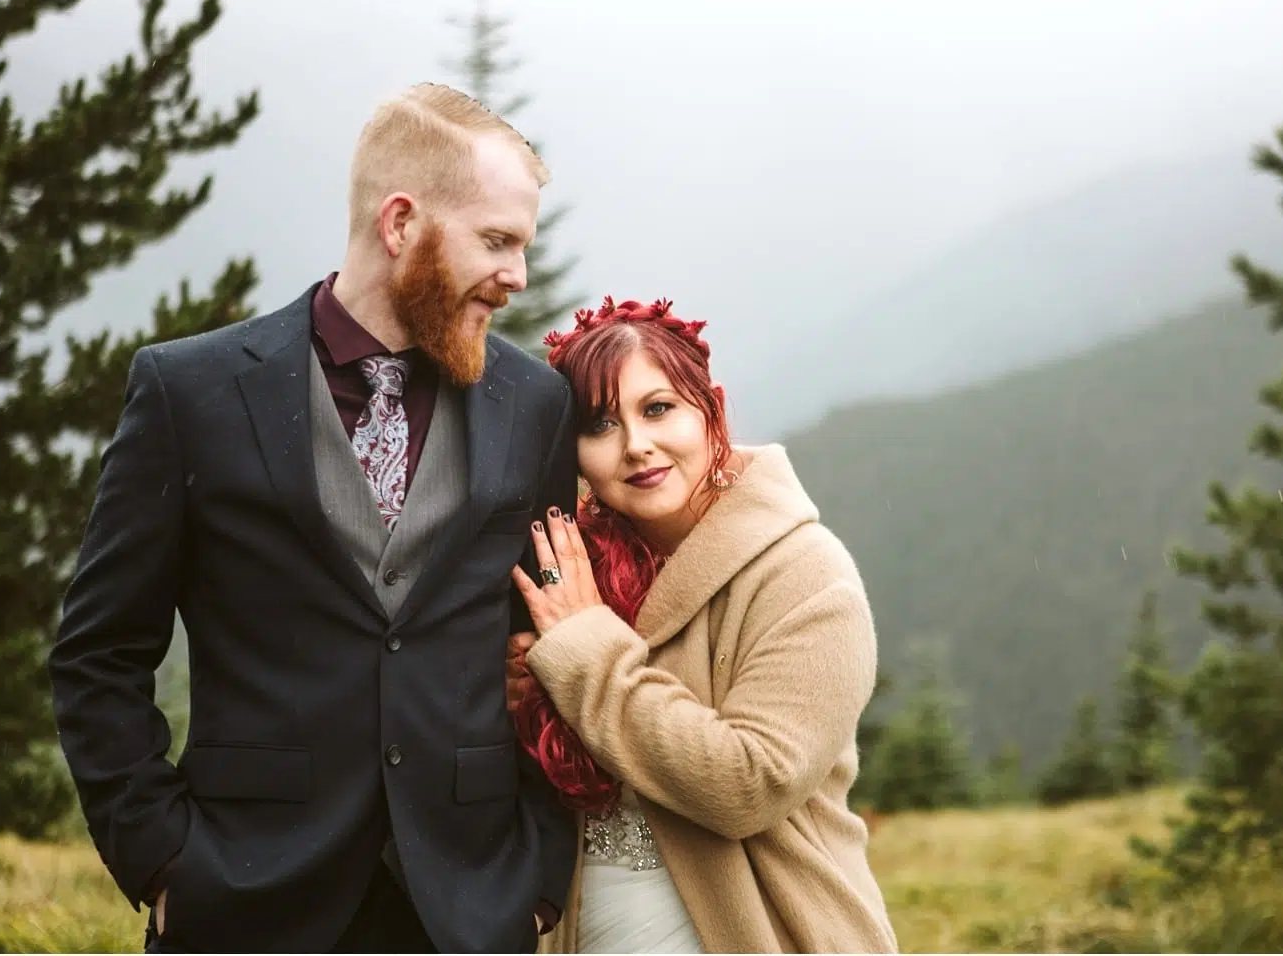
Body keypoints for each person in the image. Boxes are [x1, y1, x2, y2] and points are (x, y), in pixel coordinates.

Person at [49, 83, 578, 953]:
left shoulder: (536, 402)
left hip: (469, 912)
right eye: (496, 241)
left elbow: (544, 654)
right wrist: (160, 860)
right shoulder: (191, 391)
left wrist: (537, 881)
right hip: (242, 902)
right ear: (400, 223)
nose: (517, 276)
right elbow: (98, 654)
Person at [503, 297, 899, 954]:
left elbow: (750, 783)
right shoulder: (571, 569)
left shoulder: (806, 573)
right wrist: (517, 699)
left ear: (709, 407)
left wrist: (582, 651)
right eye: (599, 425)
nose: (637, 446)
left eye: (659, 409)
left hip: (765, 933)